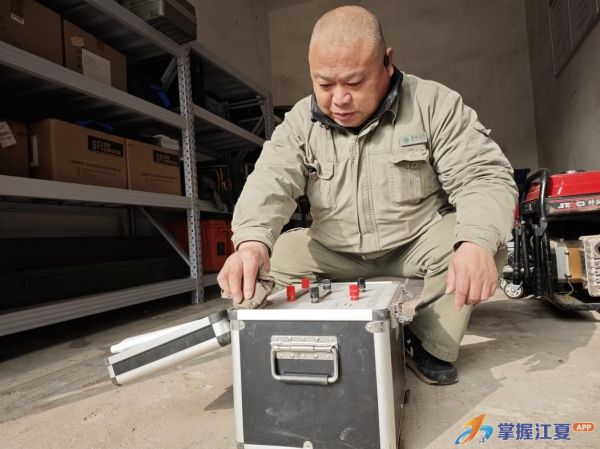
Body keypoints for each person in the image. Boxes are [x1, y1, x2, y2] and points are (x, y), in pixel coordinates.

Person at [218, 5, 517, 385]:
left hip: (415, 243)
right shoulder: (300, 121)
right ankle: (277, 339)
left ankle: (426, 341)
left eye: (354, 83)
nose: (339, 100)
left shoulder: (432, 104)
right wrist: (251, 243)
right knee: (261, 261)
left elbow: (483, 175)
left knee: (482, 241)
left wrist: (475, 242)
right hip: (333, 249)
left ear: (386, 63)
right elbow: (271, 179)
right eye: (324, 85)